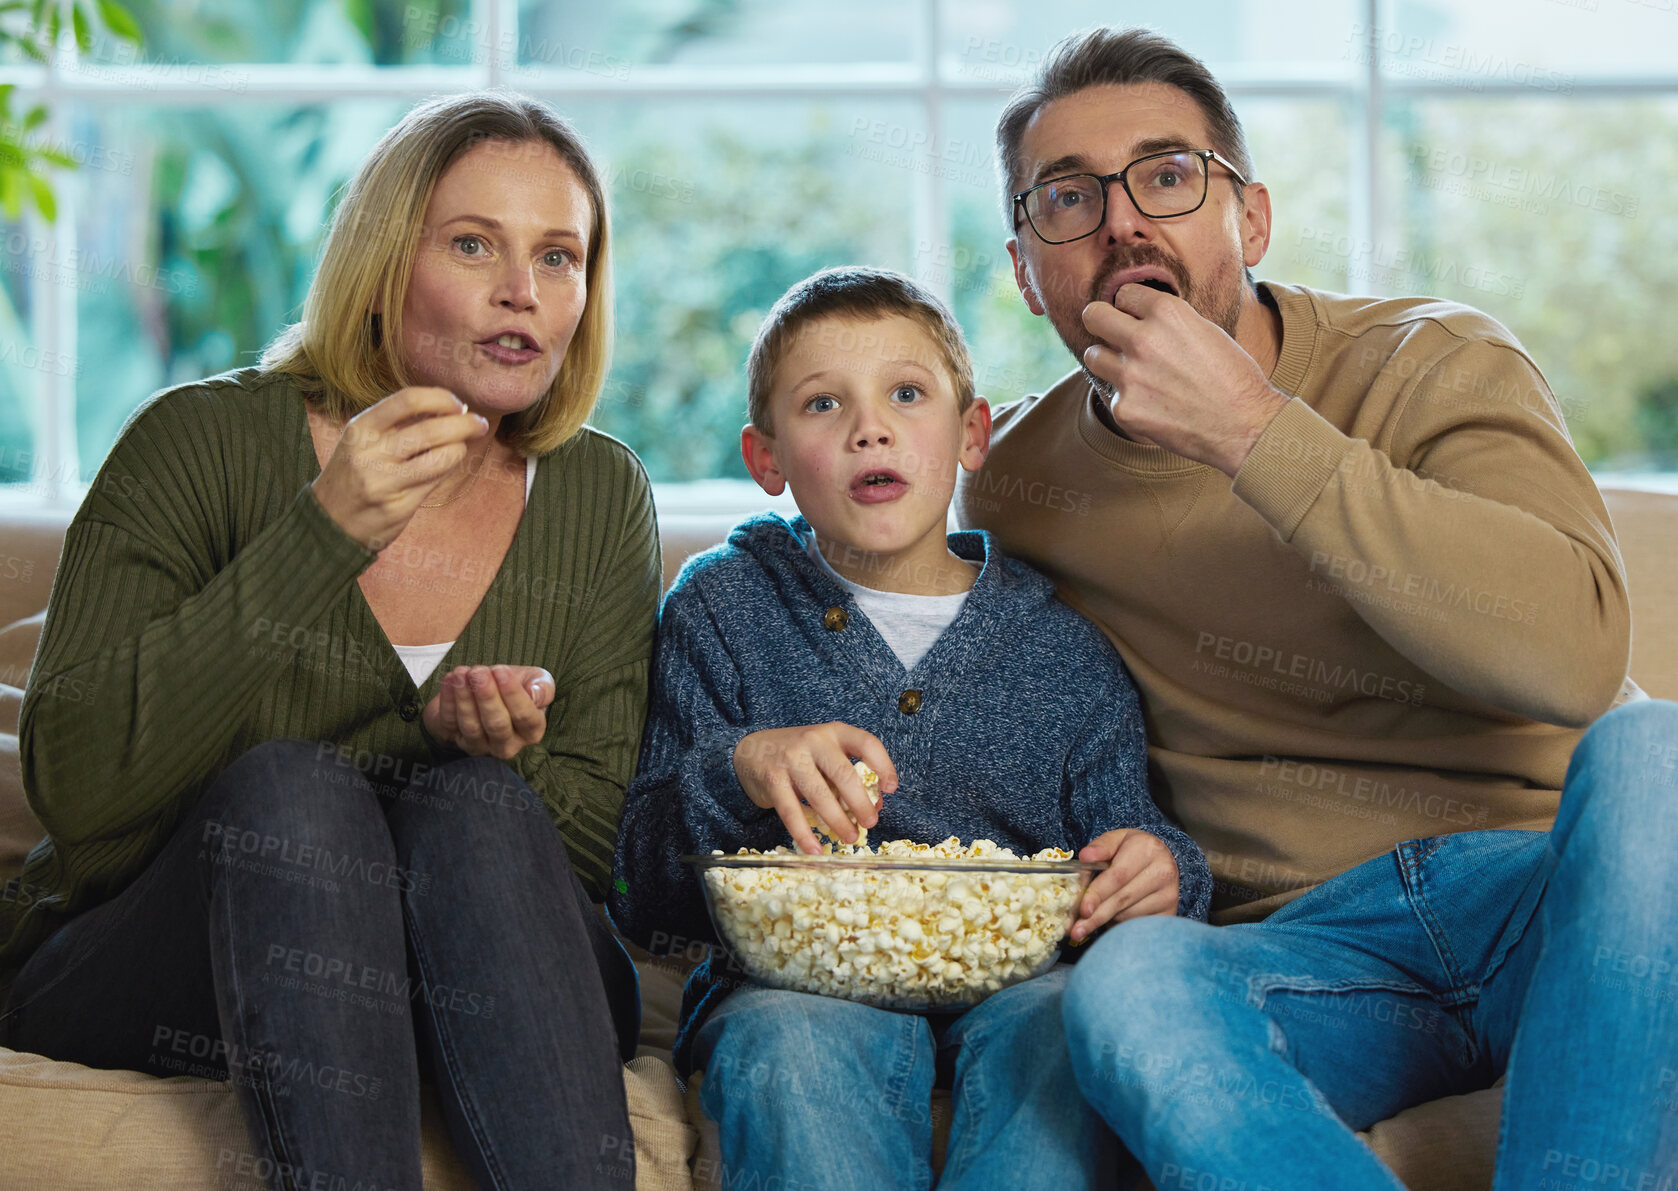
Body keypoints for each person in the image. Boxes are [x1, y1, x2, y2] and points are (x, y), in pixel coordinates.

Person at [957, 25, 1678, 1189]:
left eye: (1168, 176)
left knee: (1659, 751)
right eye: (1067, 199)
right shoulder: (1016, 489)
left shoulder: (1435, 361)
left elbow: (1574, 661)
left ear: (1250, 221)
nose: (1122, 222)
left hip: (1550, 901)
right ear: (1025, 265)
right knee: (1130, 983)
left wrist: (1253, 431)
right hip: (1300, 952)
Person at [0, 93, 658, 1190]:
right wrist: (322, 535)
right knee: (289, 795)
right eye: (471, 244)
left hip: (476, 969)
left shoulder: (600, 494)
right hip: (170, 959)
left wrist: (488, 750)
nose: (522, 293)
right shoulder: (197, 441)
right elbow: (82, 794)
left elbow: (596, 861)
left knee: (481, 806)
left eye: (559, 256)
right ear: (383, 260)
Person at [609, 265, 1210, 1191]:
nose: (869, 427)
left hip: (1025, 986)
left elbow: (1129, 839)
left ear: (971, 434)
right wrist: (739, 768)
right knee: (786, 1048)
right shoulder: (723, 610)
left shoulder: (1061, 649)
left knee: (1068, 1035)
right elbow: (644, 884)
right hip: (790, 988)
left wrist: (1165, 867)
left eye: (905, 393)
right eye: (821, 404)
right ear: (764, 457)